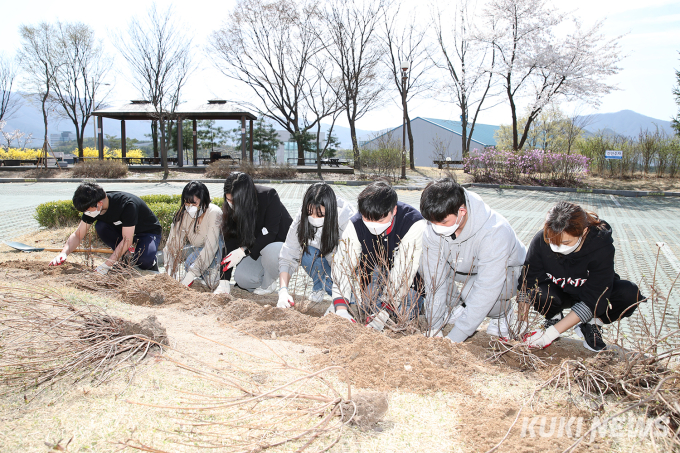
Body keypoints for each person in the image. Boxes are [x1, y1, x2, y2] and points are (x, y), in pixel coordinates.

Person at [521, 201, 644, 352]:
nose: (558, 247)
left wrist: (549, 335)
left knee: (629, 294)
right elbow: (527, 282)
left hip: (591, 295)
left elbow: (593, 298)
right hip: (560, 292)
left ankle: (592, 323)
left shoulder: (601, 246)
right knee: (538, 292)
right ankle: (554, 317)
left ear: (584, 232)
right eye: (552, 241)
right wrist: (521, 324)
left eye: (566, 242)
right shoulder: (542, 240)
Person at [419, 178, 526, 341]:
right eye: (431, 222)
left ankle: (503, 313)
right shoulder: (434, 228)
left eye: (442, 222)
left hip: (507, 272)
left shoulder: (495, 232)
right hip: (464, 267)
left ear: (462, 211)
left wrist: (456, 337)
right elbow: (435, 278)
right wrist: (434, 326)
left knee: (471, 291)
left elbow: (487, 287)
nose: (435, 227)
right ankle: (458, 308)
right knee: (424, 265)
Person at [330, 181, 426, 328]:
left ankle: (419, 303)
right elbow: (343, 264)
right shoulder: (355, 224)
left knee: (404, 316)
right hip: (375, 271)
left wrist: (386, 309)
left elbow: (405, 269)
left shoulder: (412, 222)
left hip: (409, 278)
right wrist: (341, 308)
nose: (373, 225)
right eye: (367, 219)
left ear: (393, 211)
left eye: (381, 220)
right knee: (369, 308)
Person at [49, 182, 161, 273]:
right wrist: (64, 253)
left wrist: (106, 266)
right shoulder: (92, 208)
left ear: (100, 203)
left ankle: (150, 260)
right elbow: (78, 234)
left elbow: (127, 240)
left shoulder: (127, 204)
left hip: (146, 231)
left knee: (145, 261)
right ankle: (125, 257)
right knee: (101, 226)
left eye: (87, 210)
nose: (86, 213)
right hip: (123, 232)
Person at [277, 183, 356, 308]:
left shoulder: (346, 219)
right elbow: (288, 253)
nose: (314, 218)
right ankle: (319, 285)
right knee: (306, 252)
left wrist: (339, 302)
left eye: (320, 215)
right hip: (320, 258)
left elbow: (348, 263)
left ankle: (342, 292)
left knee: (344, 296)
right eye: (310, 213)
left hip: (340, 266)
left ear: (330, 211)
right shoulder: (302, 216)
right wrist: (283, 291)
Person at [220, 172, 292, 294]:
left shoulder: (269, 196)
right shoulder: (231, 207)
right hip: (254, 248)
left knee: (271, 250)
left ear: (245, 198)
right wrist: (224, 280)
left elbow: (270, 233)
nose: (231, 204)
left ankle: (269, 282)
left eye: (234, 201)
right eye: (228, 200)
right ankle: (262, 275)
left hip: (278, 246)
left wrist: (243, 251)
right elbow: (230, 239)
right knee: (242, 278)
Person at [163, 181, 229, 294]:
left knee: (203, 275)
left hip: (218, 251)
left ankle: (216, 270)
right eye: (186, 204)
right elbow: (173, 243)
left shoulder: (214, 213)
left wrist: (191, 274)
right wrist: (170, 270)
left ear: (204, 201)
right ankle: (206, 273)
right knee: (189, 263)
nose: (189, 208)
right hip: (200, 251)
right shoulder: (183, 215)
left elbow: (211, 247)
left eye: (194, 204)